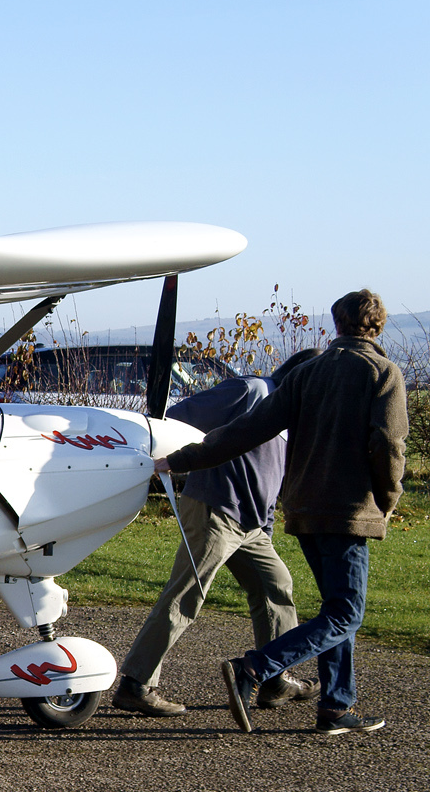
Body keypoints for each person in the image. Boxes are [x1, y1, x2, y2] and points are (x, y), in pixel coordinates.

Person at [156, 289, 407, 735]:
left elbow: (246, 430)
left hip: (304, 508)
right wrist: (387, 500)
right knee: (347, 613)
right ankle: (254, 668)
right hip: (349, 510)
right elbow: (389, 445)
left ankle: (336, 705)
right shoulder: (383, 373)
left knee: (335, 609)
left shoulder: (307, 373)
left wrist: (183, 459)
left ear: (337, 323)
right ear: (379, 326)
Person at [113, 348, 323, 716]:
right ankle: (135, 684)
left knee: (276, 587)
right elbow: (175, 421)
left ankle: (274, 679)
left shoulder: (291, 416)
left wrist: (266, 526)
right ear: (303, 376)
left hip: (253, 525)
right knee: (186, 596)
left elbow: (272, 480)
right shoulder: (253, 390)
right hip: (216, 509)